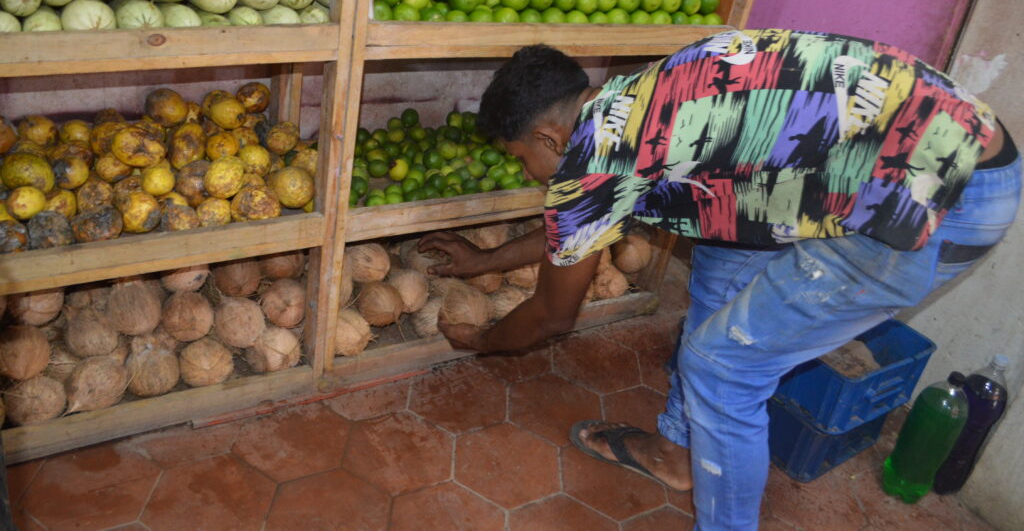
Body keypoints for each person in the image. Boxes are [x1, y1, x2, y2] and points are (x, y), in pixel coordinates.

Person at [417, 29, 1021, 531]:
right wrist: (480, 262)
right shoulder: (641, 92)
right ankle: (678, 452)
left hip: (940, 200)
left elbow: (552, 312)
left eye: (524, 158)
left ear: (549, 137)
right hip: (956, 149)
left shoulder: (596, 155)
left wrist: (486, 340)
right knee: (721, 258)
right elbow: (576, 232)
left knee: (723, 366)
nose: (531, 172)